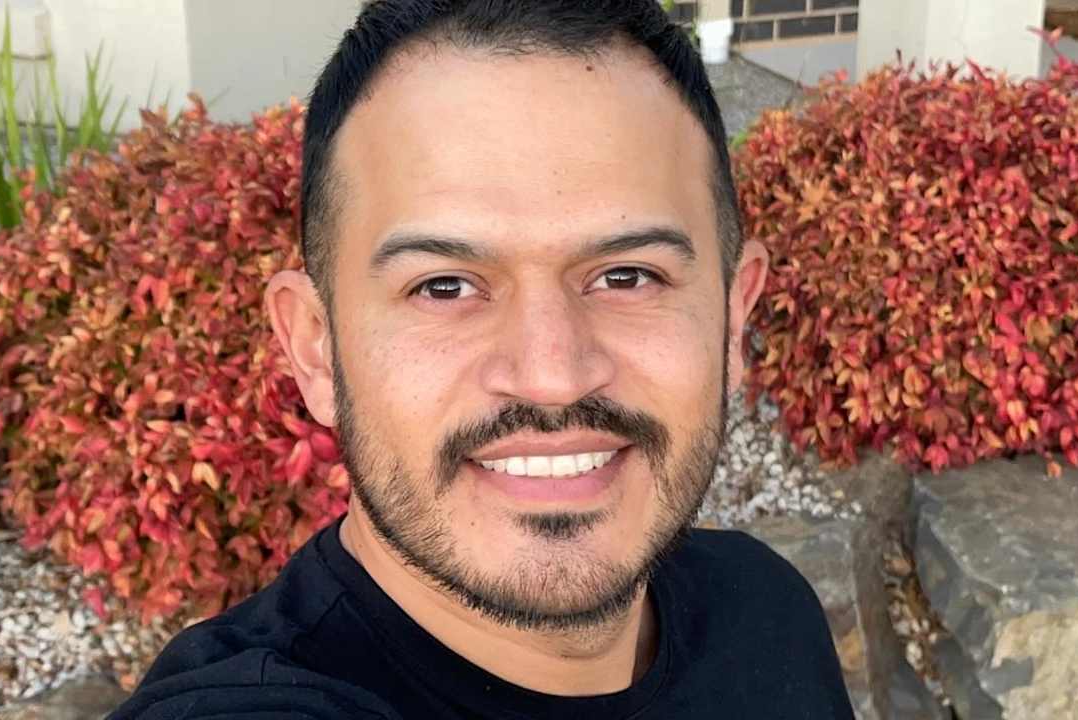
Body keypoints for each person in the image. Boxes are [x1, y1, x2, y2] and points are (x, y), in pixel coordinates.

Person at [109, 1, 854, 717]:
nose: (552, 376)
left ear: (732, 320)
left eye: (627, 276)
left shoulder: (769, 612)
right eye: (444, 286)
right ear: (315, 348)